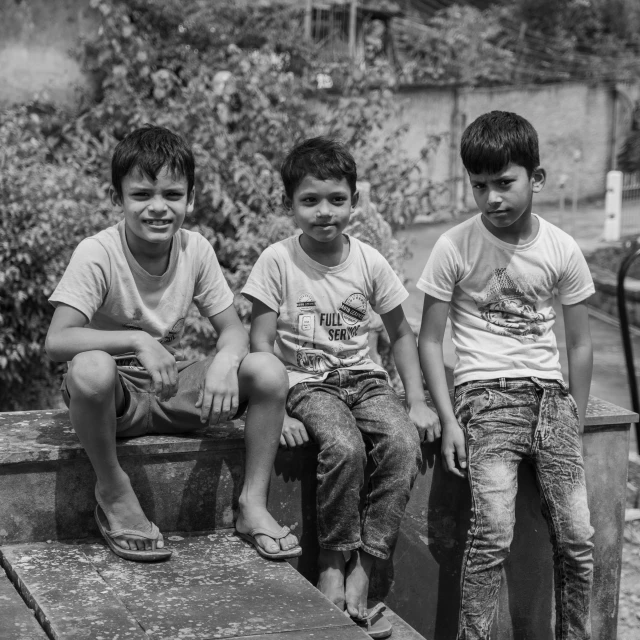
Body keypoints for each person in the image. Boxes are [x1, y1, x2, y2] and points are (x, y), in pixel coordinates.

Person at [45, 125, 300, 562]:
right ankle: (114, 491)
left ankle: (251, 504)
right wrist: (135, 339)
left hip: (166, 389)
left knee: (268, 370)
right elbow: (58, 340)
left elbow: (234, 330)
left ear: (191, 198)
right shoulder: (98, 253)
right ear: (116, 199)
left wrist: (225, 360)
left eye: (172, 195)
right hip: (113, 399)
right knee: (90, 368)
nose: (158, 208)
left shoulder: (195, 249)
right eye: (142, 195)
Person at [243, 136, 440, 638]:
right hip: (308, 384)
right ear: (290, 205)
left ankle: (366, 568)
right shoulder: (277, 261)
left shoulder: (370, 262)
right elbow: (261, 340)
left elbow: (400, 333)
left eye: (336, 199)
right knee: (344, 446)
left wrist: (415, 401)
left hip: (367, 380)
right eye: (309, 200)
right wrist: (279, 410)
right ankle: (331, 566)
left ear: (356, 201)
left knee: (400, 442)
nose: (324, 212)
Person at [418, 111, 595, 639]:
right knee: (493, 530)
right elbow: (430, 339)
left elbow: (580, 344)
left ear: (535, 179)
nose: (492, 198)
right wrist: (448, 419)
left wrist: (576, 419)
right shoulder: (455, 245)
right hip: (485, 399)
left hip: (550, 401)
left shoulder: (561, 248)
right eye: (479, 186)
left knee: (579, 536)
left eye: (504, 183)